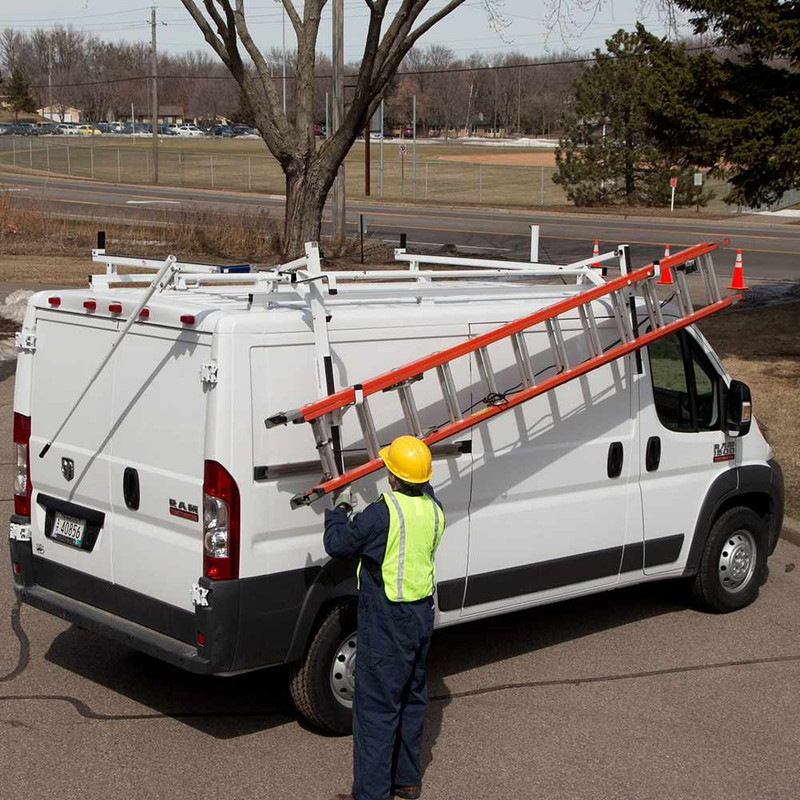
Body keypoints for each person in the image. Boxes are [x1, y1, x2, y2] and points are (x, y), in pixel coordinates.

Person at [324, 435, 446, 800]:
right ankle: (406, 780)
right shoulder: (434, 507)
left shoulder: (384, 513)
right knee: (411, 699)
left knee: (376, 710)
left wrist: (339, 508)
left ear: (393, 476)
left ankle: (371, 794)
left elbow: (338, 544)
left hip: (387, 618)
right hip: (421, 615)